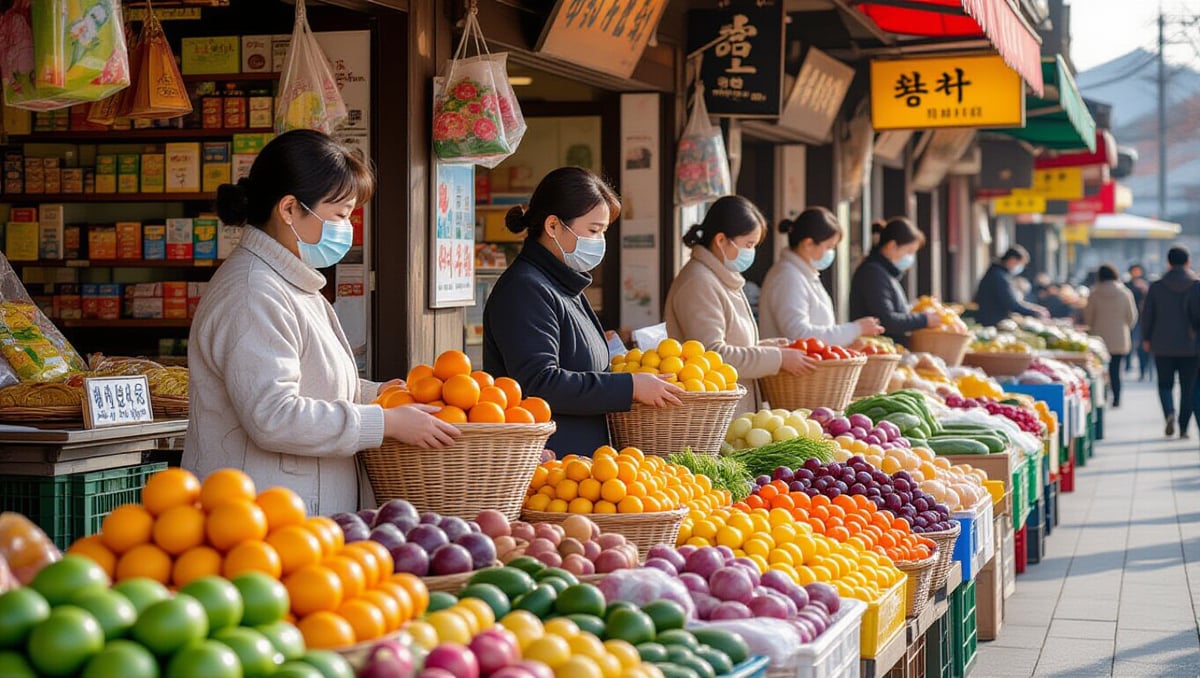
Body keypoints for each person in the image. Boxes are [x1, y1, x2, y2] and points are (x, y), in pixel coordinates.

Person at [186, 130, 459, 515]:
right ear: (289, 209)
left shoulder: (290, 281)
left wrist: (377, 394)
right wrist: (383, 422)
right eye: (341, 215)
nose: (347, 229)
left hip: (296, 512)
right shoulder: (252, 292)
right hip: (259, 517)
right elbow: (273, 415)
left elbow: (312, 382)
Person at [483, 167, 681, 456]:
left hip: (584, 462)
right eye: (593, 230)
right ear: (553, 226)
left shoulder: (563, 284)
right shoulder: (524, 288)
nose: (599, 241)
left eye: (603, 232)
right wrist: (630, 386)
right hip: (551, 462)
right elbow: (540, 382)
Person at [664, 196, 816, 414]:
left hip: (733, 410)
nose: (751, 252)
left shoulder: (720, 277)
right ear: (721, 240)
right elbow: (713, 354)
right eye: (749, 244)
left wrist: (767, 348)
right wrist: (777, 358)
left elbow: (729, 343)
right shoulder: (699, 282)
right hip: (714, 415)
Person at [758, 207, 883, 345]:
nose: (831, 253)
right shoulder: (788, 277)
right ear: (808, 244)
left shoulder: (803, 274)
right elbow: (799, 333)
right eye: (829, 247)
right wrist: (855, 329)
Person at [849, 217, 943, 344]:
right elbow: (886, 320)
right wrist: (924, 320)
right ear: (892, 246)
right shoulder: (873, 273)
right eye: (909, 251)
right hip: (877, 348)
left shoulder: (886, 273)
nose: (910, 258)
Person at [1141, 245, 1198, 438]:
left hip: (1162, 344)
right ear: (1188, 262)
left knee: (1165, 384)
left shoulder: (1157, 286)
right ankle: (1184, 428)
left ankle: (1169, 413)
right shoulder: (1196, 286)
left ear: (1168, 263)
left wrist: (1146, 338)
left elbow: (1148, 315)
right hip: (1191, 346)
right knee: (1188, 387)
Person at [1083, 264, 1138, 408]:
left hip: (1098, 339)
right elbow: (1132, 317)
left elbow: (1088, 317)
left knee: (1099, 369)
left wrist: (1091, 329)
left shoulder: (1094, 293)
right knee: (1116, 369)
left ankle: (1102, 397)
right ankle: (1117, 398)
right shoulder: (1125, 293)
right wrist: (1125, 328)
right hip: (1119, 338)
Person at [973, 246, 1047, 326]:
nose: (1020, 267)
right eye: (1020, 264)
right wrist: (1034, 312)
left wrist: (1033, 308)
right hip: (992, 321)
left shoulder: (999, 273)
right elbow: (1011, 303)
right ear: (1012, 260)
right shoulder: (999, 276)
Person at [1127, 264, 1151, 380]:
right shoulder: (1127, 285)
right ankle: (1127, 365)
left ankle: (1143, 370)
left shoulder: (1146, 284)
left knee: (1142, 347)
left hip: (1143, 319)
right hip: (1131, 319)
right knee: (1130, 344)